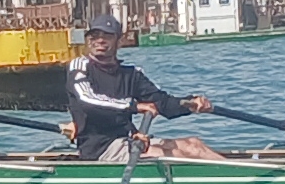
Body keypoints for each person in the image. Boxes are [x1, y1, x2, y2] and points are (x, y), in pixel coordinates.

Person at [62, 17, 232, 158]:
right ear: (88, 40)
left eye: (107, 36)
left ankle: (242, 175)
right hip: (99, 148)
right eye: (94, 36)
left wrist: (191, 103)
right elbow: (87, 100)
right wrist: (134, 106)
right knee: (164, 154)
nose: (100, 40)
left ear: (119, 41)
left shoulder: (131, 74)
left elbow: (161, 102)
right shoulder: (79, 66)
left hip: (131, 139)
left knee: (194, 145)